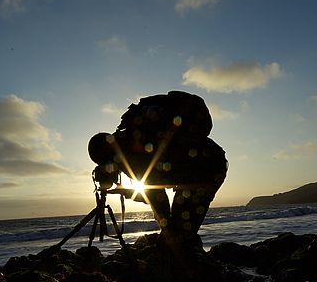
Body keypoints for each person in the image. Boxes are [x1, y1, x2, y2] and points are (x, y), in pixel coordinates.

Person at [88, 91, 227, 262]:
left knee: (178, 237)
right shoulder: (129, 138)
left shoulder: (131, 153)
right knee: (179, 235)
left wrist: (168, 231)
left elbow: (157, 197)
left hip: (207, 170)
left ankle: (194, 276)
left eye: (104, 164)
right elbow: (154, 190)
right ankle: (190, 261)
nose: (108, 170)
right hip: (202, 167)